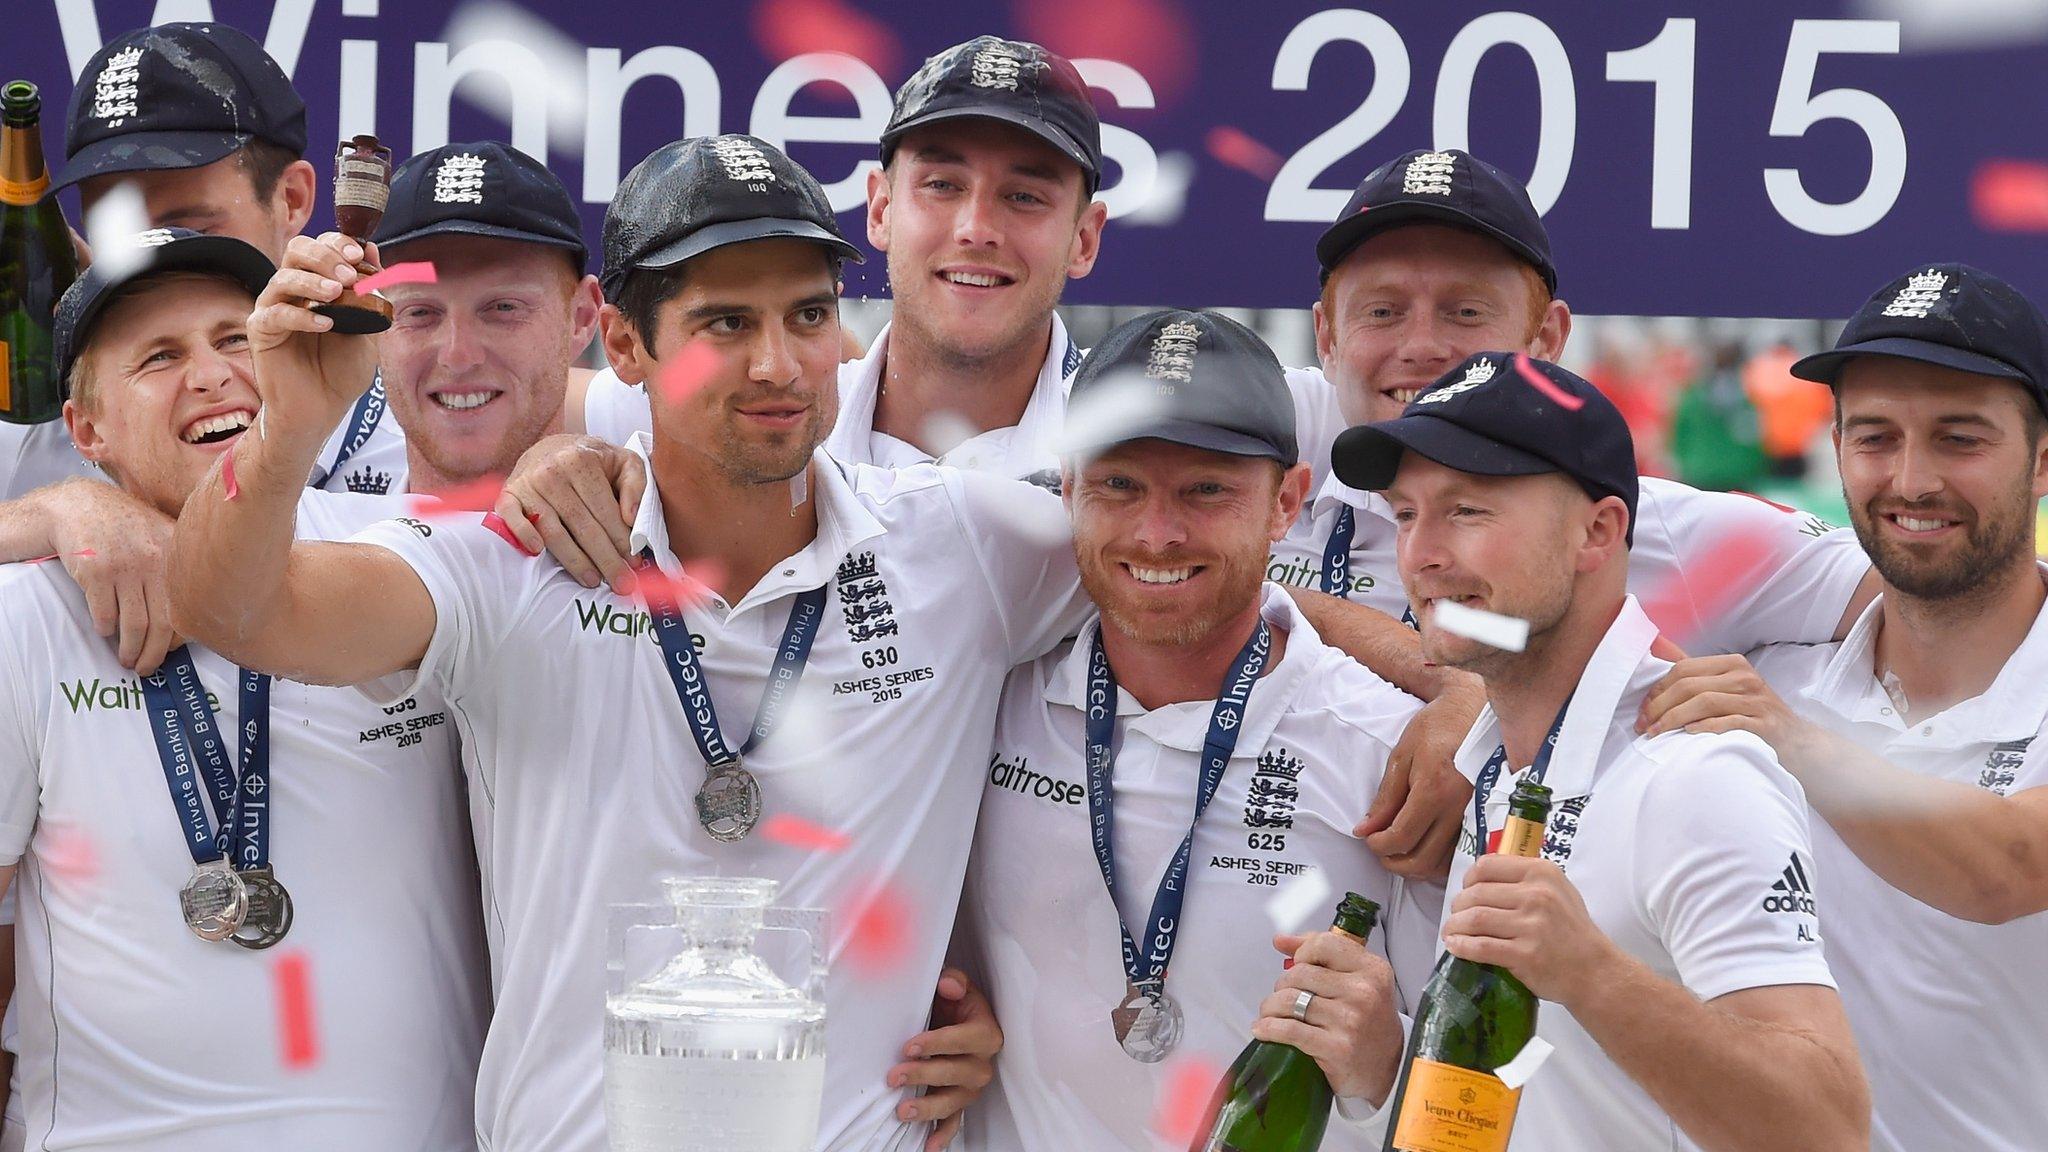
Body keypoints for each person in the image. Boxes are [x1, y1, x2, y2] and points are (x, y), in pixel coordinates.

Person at [167, 135, 1085, 1152]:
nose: (777, 363)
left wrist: (985, 987)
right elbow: (235, 611)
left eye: (808, 315)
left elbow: (1213, 601)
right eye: (724, 323)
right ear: (625, 344)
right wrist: (287, 426)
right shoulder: (509, 558)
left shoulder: (961, 540)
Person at [1301, 353, 1868, 1150]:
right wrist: (1382, 1067)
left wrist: (1594, 976)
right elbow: (1554, 1089)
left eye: (1466, 511)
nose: (1420, 554)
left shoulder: (1695, 773)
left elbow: (1827, 1128)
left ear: (1597, 532)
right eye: (1404, 513)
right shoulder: (1499, 764)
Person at [0, 227, 489, 1150]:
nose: (213, 374)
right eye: (159, 357)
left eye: (236, 338)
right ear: (85, 431)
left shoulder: (410, 550)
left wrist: (567, 462)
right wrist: (51, 506)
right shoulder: (29, 614)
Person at [1266, 149, 1879, 873]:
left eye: (1467, 311)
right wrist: (1460, 686)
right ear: (1328, 337)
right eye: (1382, 311)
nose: (1423, 345)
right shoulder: (1260, 460)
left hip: (1511, 972)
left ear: (1547, 339)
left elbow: (1929, 587)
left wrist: (1787, 723)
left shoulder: (1630, 523)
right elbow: (1161, 561)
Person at [957, 309, 1433, 1151]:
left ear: (1287, 500)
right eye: (1119, 485)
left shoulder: (1392, 752)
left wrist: (1387, 1066)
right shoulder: (982, 699)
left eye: (1207, 490)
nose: (1157, 532)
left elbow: (1520, 1075)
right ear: (1067, 486)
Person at [1641, 264, 2048, 1152]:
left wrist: (1791, 741)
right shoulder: (1766, 671)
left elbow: (2010, 868)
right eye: (1874, 437)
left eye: (1960, 439)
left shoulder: (1763, 707)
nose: (1911, 479)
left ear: (2045, 460)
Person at [0, 22, 404, 676]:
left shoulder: (418, 396)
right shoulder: (51, 400)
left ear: (295, 198)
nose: (152, 252)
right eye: (117, 226)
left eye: (189, 222)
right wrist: (63, 506)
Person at [576, 35, 1108, 480]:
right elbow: (549, 405)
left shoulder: (1149, 452)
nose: (976, 229)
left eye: (1024, 197)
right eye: (942, 185)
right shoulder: (778, 397)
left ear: (1084, 239)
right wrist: (559, 458)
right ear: (880, 209)